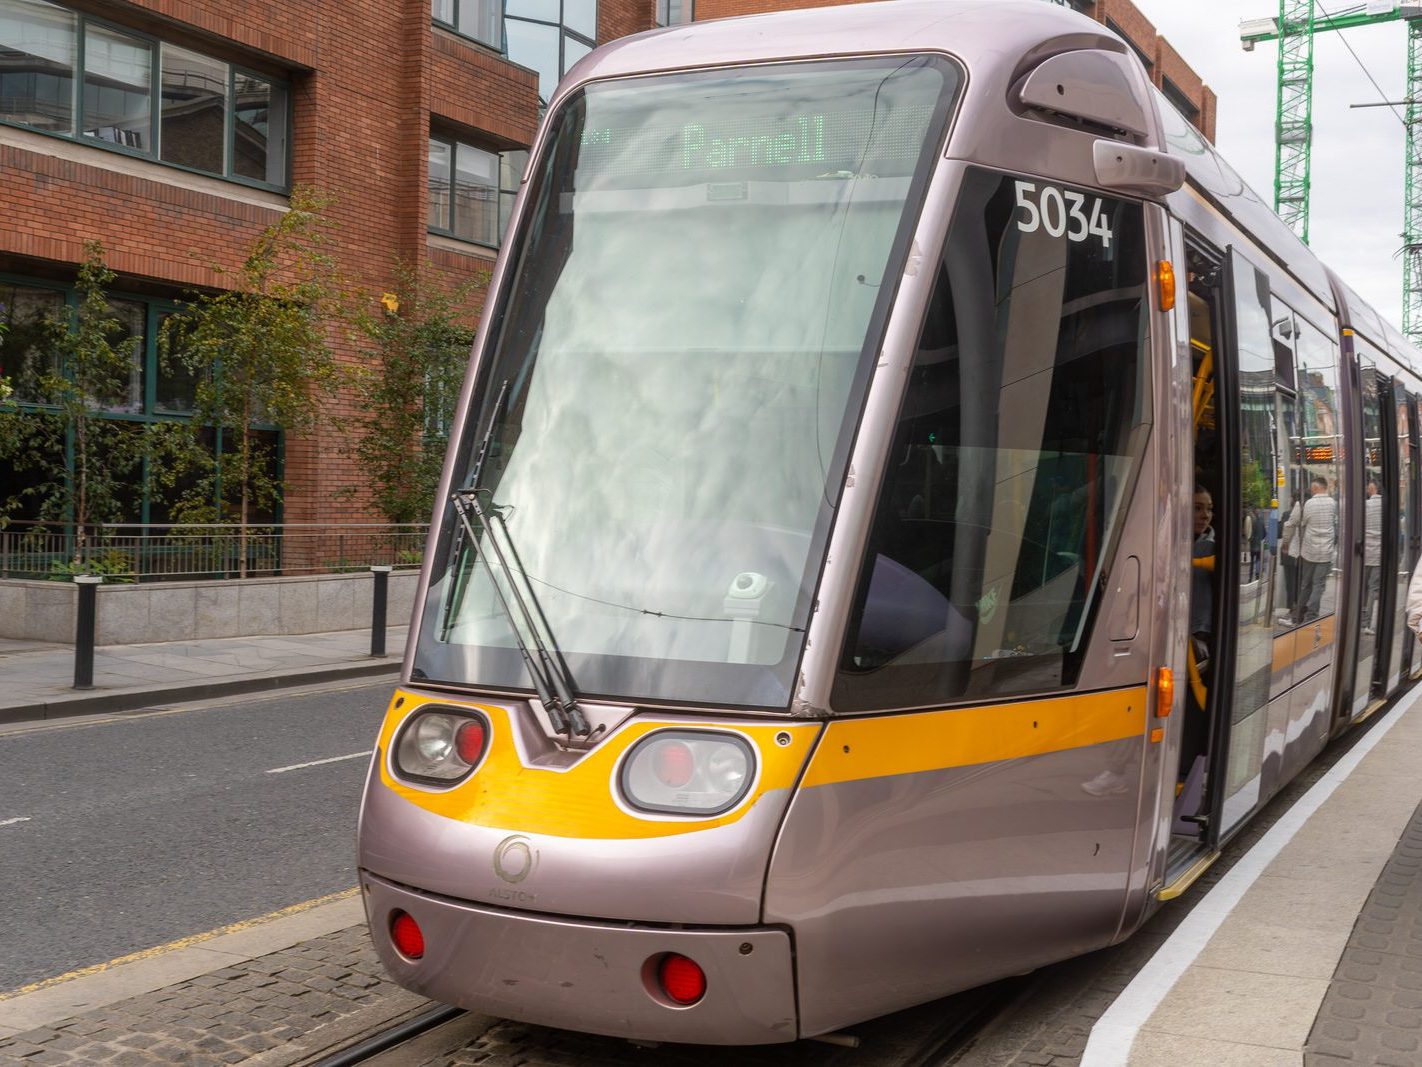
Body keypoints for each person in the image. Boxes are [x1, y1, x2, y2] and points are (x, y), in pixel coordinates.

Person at [1293, 476, 1338, 623]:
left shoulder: (1309, 504)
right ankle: (1312, 615)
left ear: (1316, 488)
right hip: (1325, 552)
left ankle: (1298, 614)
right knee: (1318, 585)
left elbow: (1303, 522)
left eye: (1312, 488)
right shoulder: (1333, 503)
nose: (1311, 491)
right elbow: (1335, 523)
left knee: (1306, 584)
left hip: (1310, 551)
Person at [1363, 479, 1383, 634]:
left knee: (1364, 588)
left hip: (1365, 553)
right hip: (1378, 553)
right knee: (1373, 588)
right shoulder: (1386, 506)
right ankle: (1367, 624)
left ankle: (1362, 621)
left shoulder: (1365, 505)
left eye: (1369, 488)